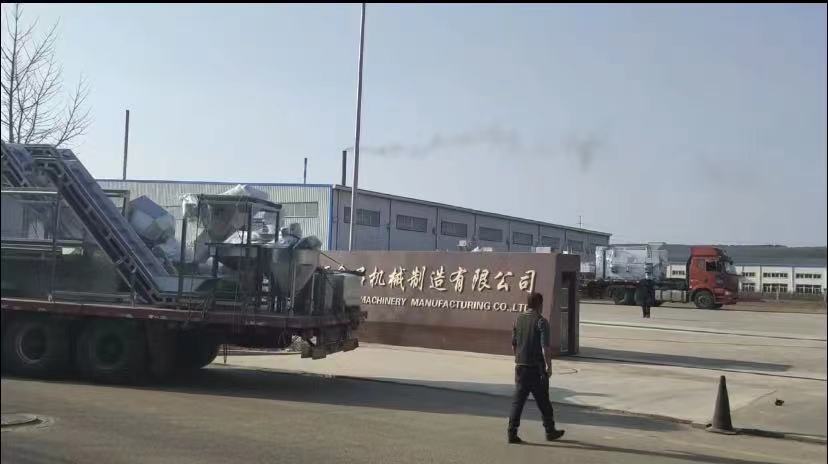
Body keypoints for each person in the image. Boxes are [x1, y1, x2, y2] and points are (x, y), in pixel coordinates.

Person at [507, 292, 565, 444]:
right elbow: (545, 347)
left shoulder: (518, 319)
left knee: (518, 402)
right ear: (540, 304)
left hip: (521, 368)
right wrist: (549, 366)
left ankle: (512, 432)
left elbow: (513, 344)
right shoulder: (541, 322)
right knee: (544, 402)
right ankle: (550, 431)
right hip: (536, 369)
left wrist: (518, 359)